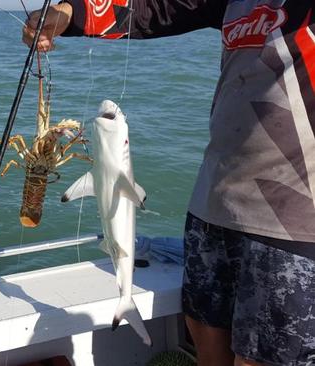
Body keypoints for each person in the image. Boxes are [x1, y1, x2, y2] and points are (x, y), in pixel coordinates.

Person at [23, 1, 315, 366]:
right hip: (214, 203)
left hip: (294, 219)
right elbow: (156, 8)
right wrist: (70, 14)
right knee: (206, 336)